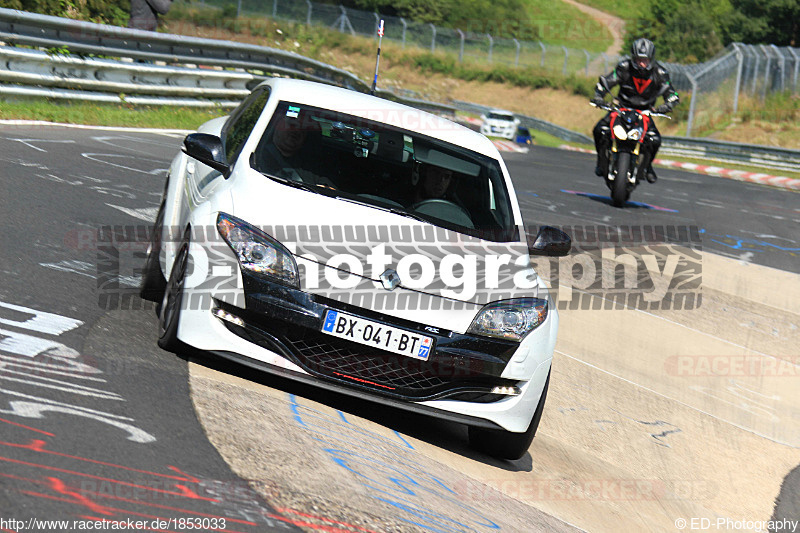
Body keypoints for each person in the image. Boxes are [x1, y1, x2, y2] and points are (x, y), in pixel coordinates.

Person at [591, 38, 680, 183]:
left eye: (645, 60)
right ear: (633, 58)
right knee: (599, 130)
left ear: (651, 59)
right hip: (620, 109)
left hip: (645, 113)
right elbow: (607, 81)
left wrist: (667, 105)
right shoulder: (624, 67)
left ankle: (647, 167)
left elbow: (672, 94)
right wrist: (599, 96)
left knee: (655, 139)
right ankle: (601, 162)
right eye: (638, 59)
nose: (642, 63)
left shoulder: (660, 73)